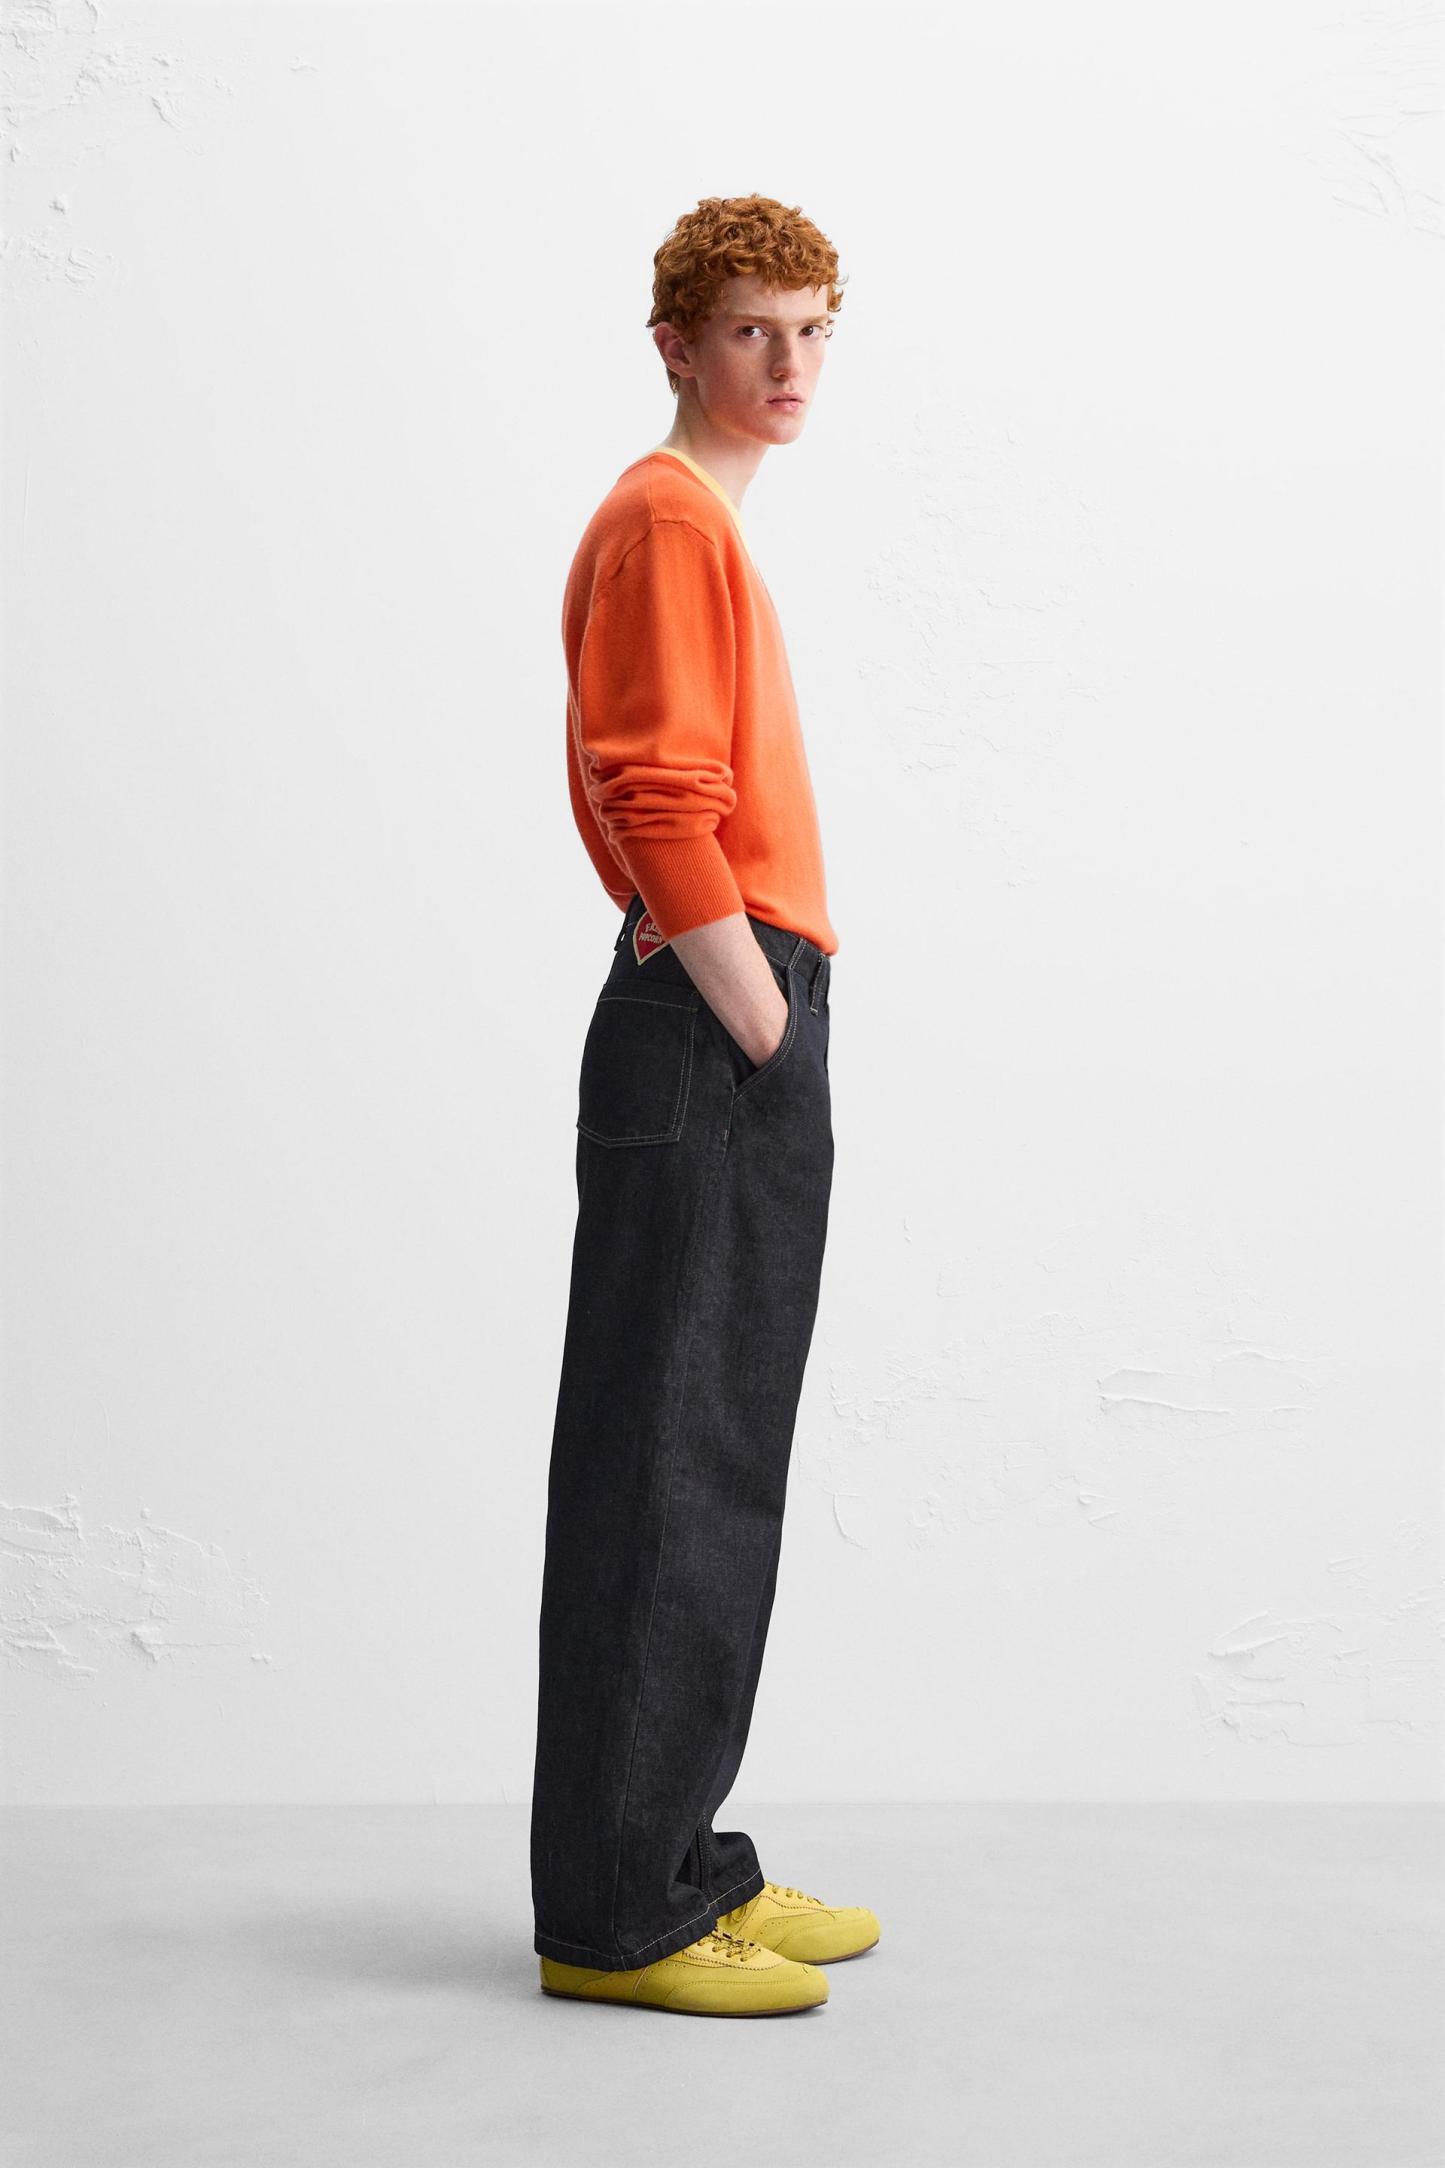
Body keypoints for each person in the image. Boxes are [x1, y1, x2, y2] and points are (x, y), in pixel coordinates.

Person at [530, 195, 880, 2017]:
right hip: (712, 1012)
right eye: (753, 329)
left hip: (719, 1007)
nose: (790, 363)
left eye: (814, 329)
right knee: (671, 1461)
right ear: (676, 343)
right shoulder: (669, 518)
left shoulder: (696, 522)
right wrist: (757, 1022)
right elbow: (656, 793)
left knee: (704, 1456)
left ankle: (676, 1864)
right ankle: (618, 1917)